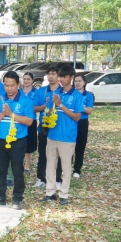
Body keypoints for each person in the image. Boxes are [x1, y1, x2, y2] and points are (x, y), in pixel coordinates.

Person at [0, 71, 33, 210]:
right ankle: (0, 196)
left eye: (12, 85)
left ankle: (17, 198)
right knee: (0, 169)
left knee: (17, 170)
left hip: (18, 141)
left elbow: (29, 121)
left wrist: (11, 114)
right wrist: (1, 114)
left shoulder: (26, 101)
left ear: (19, 84)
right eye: (6, 85)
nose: (9, 88)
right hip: (0, 139)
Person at [41, 65, 84, 205]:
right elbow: (47, 111)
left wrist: (61, 105)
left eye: (65, 77)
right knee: (50, 165)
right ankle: (50, 192)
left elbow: (77, 117)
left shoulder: (77, 96)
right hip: (52, 135)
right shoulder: (56, 93)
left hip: (67, 138)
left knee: (65, 167)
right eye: (61, 76)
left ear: (71, 78)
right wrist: (49, 108)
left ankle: (64, 194)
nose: (62, 79)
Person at [32, 66, 63, 189]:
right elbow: (34, 107)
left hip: (58, 127)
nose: (51, 76)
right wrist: (44, 107)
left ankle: (57, 180)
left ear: (58, 76)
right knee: (43, 153)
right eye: (49, 74)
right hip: (44, 127)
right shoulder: (42, 91)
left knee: (58, 154)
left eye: (53, 74)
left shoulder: (62, 91)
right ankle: (41, 178)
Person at [72, 73, 93, 178]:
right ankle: (65, 166)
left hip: (82, 122)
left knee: (80, 146)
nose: (77, 83)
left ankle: (77, 169)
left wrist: (80, 106)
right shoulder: (71, 94)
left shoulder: (88, 95)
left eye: (80, 81)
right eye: (75, 81)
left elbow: (89, 111)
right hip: (71, 121)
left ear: (84, 82)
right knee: (69, 144)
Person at [20, 72, 39, 172]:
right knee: (19, 141)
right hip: (19, 120)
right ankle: (19, 162)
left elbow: (38, 107)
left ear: (32, 80)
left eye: (28, 79)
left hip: (31, 120)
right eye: (25, 79)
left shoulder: (36, 92)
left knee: (29, 143)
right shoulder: (18, 91)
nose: (26, 81)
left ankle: (27, 164)